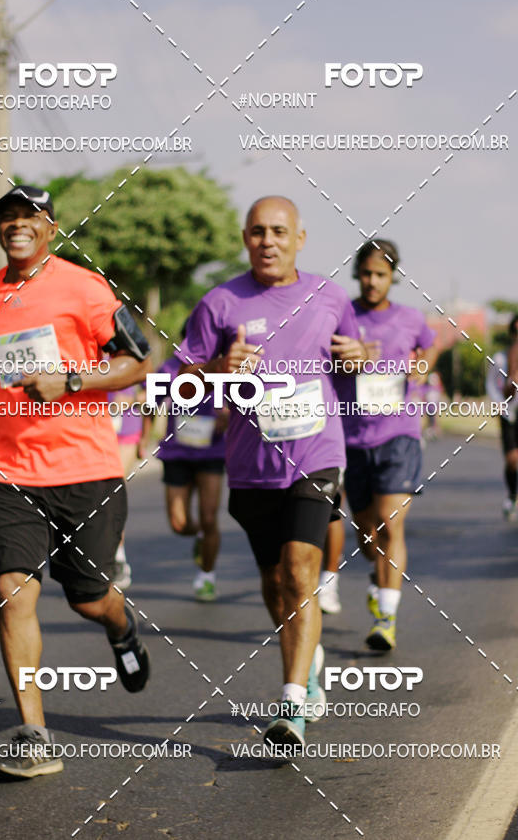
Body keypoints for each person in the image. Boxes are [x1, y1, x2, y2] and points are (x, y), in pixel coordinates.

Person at [0, 185, 152, 780]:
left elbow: (137, 360)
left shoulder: (84, 287)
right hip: (9, 471)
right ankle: (34, 734)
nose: (16, 225)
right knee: (13, 588)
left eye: (28, 216)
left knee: (89, 598)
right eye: (6, 217)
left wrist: (69, 381)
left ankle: (121, 627)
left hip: (86, 470)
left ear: (49, 225)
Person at [176, 196, 365, 750]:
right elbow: (183, 383)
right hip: (252, 464)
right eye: (258, 232)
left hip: (316, 454)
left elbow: (350, 364)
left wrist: (356, 358)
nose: (268, 241)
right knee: (275, 583)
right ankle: (307, 655)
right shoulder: (219, 302)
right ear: (245, 238)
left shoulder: (330, 295)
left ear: (300, 239)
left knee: (301, 571)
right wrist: (215, 368)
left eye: (279, 231)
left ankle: (291, 705)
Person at [336, 241, 437, 652]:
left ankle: (386, 619)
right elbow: (322, 360)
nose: (373, 281)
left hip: (399, 433)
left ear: (392, 276)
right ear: (357, 274)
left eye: (381, 274)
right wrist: (345, 359)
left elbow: (428, 348)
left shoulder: (411, 318)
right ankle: (379, 580)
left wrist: (423, 364)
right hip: (352, 437)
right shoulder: (340, 317)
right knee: (367, 539)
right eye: (366, 273)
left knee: (390, 523)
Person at [152, 352, 227, 602]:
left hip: (212, 451)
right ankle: (199, 536)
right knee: (178, 523)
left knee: (208, 517)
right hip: (177, 453)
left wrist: (227, 418)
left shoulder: (224, 365)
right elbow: (152, 402)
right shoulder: (169, 368)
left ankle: (207, 576)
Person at [109, 385, 147, 588]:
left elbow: (152, 390)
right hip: (92, 427)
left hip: (126, 428)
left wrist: (131, 400)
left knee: (113, 489)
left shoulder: (130, 352)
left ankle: (118, 556)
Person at [489, 315, 518, 520]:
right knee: (512, 460)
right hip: (508, 412)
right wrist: (499, 400)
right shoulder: (500, 358)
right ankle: (512, 495)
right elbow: (491, 383)